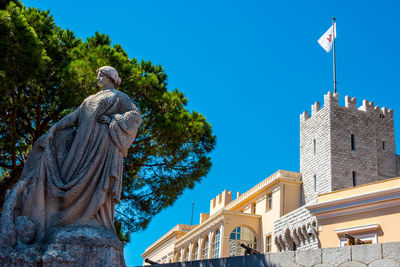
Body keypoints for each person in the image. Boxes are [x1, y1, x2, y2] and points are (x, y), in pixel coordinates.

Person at [0, 66, 142, 247]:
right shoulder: (89, 99)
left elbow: (135, 117)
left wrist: (113, 121)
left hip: (103, 146)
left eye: (100, 74)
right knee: (63, 170)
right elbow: (73, 116)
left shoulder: (119, 96)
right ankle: (64, 219)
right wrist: (55, 128)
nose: (97, 77)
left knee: (99, 185)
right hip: (81, 148)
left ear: (109, 77)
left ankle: (96, 219)